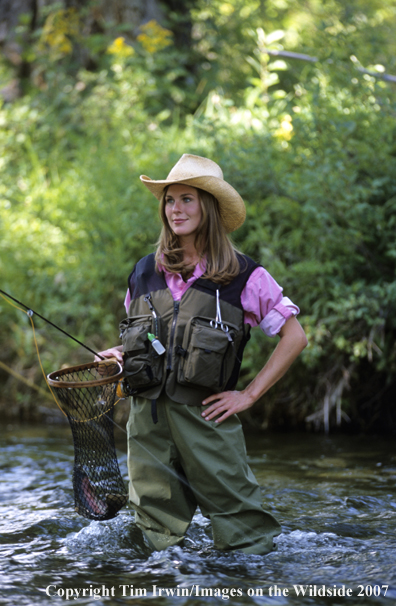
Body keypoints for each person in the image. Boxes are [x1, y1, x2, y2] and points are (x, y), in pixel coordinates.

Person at [96, 154, 308, 554]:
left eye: (187, 199)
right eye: (170, 200)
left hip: (208, 419)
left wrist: (248, 395)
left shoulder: (245, 275)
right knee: (155, 538)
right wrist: (118, 353)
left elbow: (295, 338)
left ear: (208, 207)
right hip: (147, 423)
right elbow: (147, 339)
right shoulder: (143, 271)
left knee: (246, 537)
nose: (176, 209)